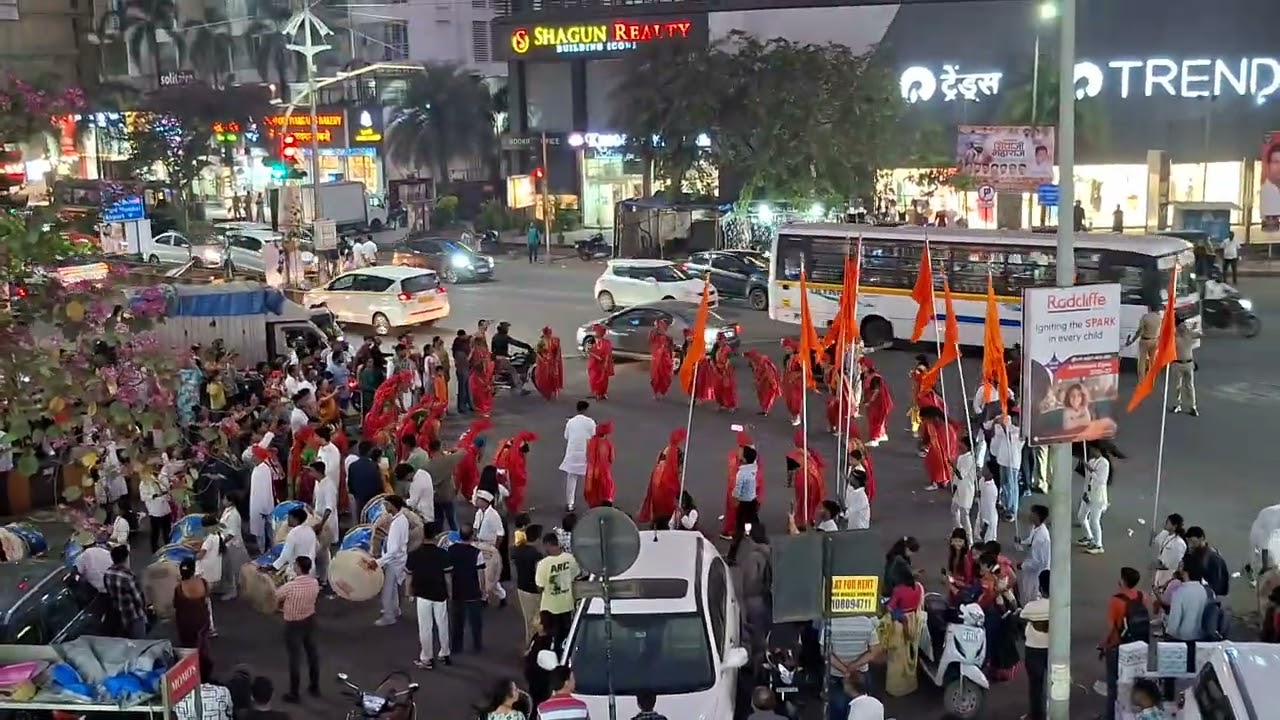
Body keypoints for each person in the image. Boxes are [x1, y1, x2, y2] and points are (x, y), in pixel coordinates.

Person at [1100, 567, 1148, 714]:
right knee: (1134, 682)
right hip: (1138, 645)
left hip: (1118, 645)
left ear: (1123, 581)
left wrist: (1103, 644)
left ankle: (1111, 715)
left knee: (1113, 684)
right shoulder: (1142, 596)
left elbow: (1111, 628)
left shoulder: (1116, 601)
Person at [406, 521, 452, 669]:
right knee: (443, 624)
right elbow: (448, 578)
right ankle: (444, 653)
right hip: (440, 593)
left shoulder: (414, 554)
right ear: (436, 536)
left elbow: (409, 576)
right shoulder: (443, 554)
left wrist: (409, 592)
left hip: (422, 594)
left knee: (425, 627)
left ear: (423, 535)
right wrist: (450, 593)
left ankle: (426, 658)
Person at [275, 556, 320, 703]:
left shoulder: (290, 586)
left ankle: (294, 694)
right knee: (312, 654)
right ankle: (315, 687)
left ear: (299, 568)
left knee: (294, 659)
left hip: (293, 625)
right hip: (309, 620)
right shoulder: (314, 583)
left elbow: (275, 597)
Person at [535, 531, 580, 649]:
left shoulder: (543, 564)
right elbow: (576, 575)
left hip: (549, 607)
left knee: (548, 636)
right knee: (565, 636)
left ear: (548, 545)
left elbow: (539, 587)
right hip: (567, 605)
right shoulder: (570, 559)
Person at [369, 495, 409, 626]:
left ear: (392, 505)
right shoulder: (400, 519)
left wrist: (379, 562)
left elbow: (393, 549)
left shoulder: (397, 523)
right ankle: (395, 609)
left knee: (387, 590)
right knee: (393, 589)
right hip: (397, 559)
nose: (385, 507)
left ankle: (388, 615)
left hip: (393, 561)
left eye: (387, 505)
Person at [446, 527, 486, 653]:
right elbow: (481, 573)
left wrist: (449, 590)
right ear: (472, 536)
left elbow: (448, 572)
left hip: (456, 589)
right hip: (472, 589)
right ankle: (477, 645)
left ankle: (456, 647)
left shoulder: (450, 550)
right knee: (475, 621)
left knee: (457, 620)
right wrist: (483, 590)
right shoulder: (477, 552)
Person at [638, 429, 685, 529]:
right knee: (665, 509)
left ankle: (656, 522)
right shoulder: (673, 453)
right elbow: (674, 475)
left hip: (657, 481)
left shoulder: (666, 450)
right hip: (665, 487)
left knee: (657, 506)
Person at [1021, 570, 1051, 720]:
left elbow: (1020, 616)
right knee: (1055, 683)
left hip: (1034, 648)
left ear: (1040, 588)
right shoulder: (1061, 606)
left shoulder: (1031, 607)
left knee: (1035, 686)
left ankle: (1036, 715)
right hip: (1053, 648)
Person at [721, 431, 761, 540]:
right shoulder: (752, 463)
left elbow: (737, 486)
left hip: (741, 496)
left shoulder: (740, 467)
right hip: (749, 496)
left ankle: (735, 532)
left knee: (740, 516)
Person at [174, 557, 213, 666]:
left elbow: (176, 605)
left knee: (188, 646)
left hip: (186, 623)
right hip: (202, 620)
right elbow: (207, 596)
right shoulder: (203, 583)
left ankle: (191, 667)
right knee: (203, 642)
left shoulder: (179, 588)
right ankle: (204, 662)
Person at [559, 401, 596, 512]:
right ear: (586, 410)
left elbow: (566, 436)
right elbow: (594, 437)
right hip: (586, 454)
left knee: (571, 479)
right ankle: (593, 503)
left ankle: (570, 504)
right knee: (590, 479)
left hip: (572, 453)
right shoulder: (590, 422)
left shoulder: (570, 422)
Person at [726, 444, 761, 563]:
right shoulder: (754, 468)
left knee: (738, 530)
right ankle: (763, 546)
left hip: (744, 504)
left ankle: (731, 556)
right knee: (756, 525)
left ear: (745, 459)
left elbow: (737, 491)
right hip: (752, 501)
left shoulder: (741, 474)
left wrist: (734, 500)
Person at [104, 544, 147, 639]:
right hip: (133, 615)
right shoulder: (128, 576)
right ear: (125, 559)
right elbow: (138, 599)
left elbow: (109, 592)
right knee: (138, 643)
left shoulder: (108, 573)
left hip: (119, 615)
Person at [511, 524, 545, 644]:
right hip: (534, 590)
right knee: (537, 619)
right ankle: (533, 645)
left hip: (521, 588)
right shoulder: (537, 555)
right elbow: (539, 574)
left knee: (528, 619)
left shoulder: (518, 550)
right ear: (537, 538)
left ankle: (529, 643)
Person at [473, 489, 507, 605]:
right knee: (482, 573)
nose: (476, 501)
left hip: (489, 546)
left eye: (479, 499)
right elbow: (475, 528)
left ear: (485, 502)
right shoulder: (479, 513)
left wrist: (495, 549)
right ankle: (484, 597)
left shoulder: (494, 515)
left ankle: (501, 595)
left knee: (490, 574)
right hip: (479, 545)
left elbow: (500, 533)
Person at [986, 412, 1024, 517]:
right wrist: (995, 422)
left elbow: (1010, 437)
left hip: (1012, 462)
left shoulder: (1021, 432)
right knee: (1004, 484)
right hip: (1003, 460)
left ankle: (1012, 510)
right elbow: (991, 431)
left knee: (1011, 485)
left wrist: (1003, 425)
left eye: (1017, 417)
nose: (1015, 419)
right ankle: (1005, 504)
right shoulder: (1010, 427)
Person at [786, 430, 825, 528]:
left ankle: (801, 521)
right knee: (810, 499)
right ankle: (810, 517)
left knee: (802, 500)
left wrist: (790, 483)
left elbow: (790, 473)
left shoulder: (792, 455)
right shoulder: (810, 453)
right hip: (814, 479)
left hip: (802, 480)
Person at [1077, 443, 1110, 555]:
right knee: (1081, 516)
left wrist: (1090, 471)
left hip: (1098, 495)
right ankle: (1089, 537)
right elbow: (1087, 480)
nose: (1091, 451)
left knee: (1094, 520)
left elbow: (1101, 480)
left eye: (1093, 449)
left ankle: (1099, 544)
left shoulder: (1104, 463)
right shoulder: (1091, 462)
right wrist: (1085, 492)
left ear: (1098, 450)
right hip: (1089, 493)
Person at [920, 406, 959, 492]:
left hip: (945, 438)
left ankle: (937, 481)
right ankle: (943, 479)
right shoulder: (935, 419)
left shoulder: (936, 420)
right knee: (939, 460)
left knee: (936, 460)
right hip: (943, 438)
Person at [270, 508, 317, 577]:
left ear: (296, 519)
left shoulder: (293, 533)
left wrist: (274, 567)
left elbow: (286, 555)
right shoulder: (310, 531)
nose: (287, 520)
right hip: (311, 570)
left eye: (289, 517)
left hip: (298, 571)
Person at [1185, 526, 1230, 597]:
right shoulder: (1195, 553)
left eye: (1192, 541)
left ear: (1201, 538)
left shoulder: (1213, 558)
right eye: (1188, 541)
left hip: (1210, 596)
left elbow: (1218, 584)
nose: (1190, 545)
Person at [525, 611, 557, 708]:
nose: (534, 619)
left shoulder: (547, 641)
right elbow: (531, 650)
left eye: (537, 619)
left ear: (543, 625)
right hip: (532, 677)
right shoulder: (536, 636)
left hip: (540, 679)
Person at [1019, 505, 1051, 602]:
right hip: (1031, 571)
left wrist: (1023, 565)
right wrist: (1021, 542)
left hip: (1037, 573)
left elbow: (1037, 562)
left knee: (1032, 598)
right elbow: (1030, 540)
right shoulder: (1036, 528)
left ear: (1037, 516)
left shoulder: (1041, 538)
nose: (1029, 515)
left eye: (1032, 513)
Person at [248, 446, 277, 552]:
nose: (252, 457)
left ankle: (270, 552)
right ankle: (263, 552)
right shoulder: (258, 468)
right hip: (258, 506)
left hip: (264, 508)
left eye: (254, 455)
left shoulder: (264, 470)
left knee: (268, 533)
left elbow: (265, 491)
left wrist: (264, 509)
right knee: (260, 533)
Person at [1172, 317, 1201, 416]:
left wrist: (1195, 328)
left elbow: (1200, 335)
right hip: (1177, 363)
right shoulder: (1174, 336)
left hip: (1189, 364)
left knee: (1190, 386)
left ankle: (1193, 406)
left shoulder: (1189, 334)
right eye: (1182, 325)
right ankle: (1177, 405)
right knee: (1177, 386)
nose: (1184, 326)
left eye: (1184, 325)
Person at [1152, 513, 1188, 593]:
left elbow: (1175, 565)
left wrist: (1158, 565)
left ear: (1174, 526)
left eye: (1167, 522)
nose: (1165, 523)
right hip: (1159, 573)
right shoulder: (1165, 534)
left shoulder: (1179, 544)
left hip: (1168, 577)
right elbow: (1157, 540)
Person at [861, 358, 893, 446]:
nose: (861, 367)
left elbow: (876, 391)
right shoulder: (866, 376)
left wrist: (869, 402)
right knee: (878, 419)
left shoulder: (874, 378)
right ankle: (881, 434)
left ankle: (874, 439)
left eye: (863, 365)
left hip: (879, 403)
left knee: (876, 419)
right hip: (875, 402)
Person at [583, 422, 615, 508]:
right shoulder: (608, 444)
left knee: (593, 490)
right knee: (606, 488)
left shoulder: (590, 442)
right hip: (603, 471)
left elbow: (588, 455)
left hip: (591, 471)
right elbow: (611, 458)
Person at [141, 470, 174, 553]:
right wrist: (153, 496)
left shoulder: (157, 479)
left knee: (167, 531)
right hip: (155, 511)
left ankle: (169, 547)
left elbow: (164, 489)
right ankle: (154, 549)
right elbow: (143, 497)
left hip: (165, 509)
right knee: (155, 532)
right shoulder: (143, 484)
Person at [952, 436, 977, 539]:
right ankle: (957, 531)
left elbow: (961, 475)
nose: (959, 445)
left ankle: (969, 538)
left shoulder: (970, 459)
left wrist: (952, 465)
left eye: (961, 443)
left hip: (966, 491)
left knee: (964, 516)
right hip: (959, 489)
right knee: (954, 510)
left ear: (967, 446)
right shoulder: (962, 457)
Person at [743, 350, 781, 416]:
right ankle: (764, 409)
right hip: (762, 382)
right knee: (762, 396)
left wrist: (760, 381)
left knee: (767, 396)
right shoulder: (755, 362)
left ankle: (766, 410)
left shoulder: (762, 362)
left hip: (767, 382)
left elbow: (768, 373)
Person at [1131, 303, 1162, 381]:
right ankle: (1152, 378)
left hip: (1145, 340)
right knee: (1153, 360)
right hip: (1154, 340)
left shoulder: (1145, 317)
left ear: (1149, 308)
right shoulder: (1159, 318)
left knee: (1142, 361)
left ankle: (1141, 379)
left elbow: (1140, 331)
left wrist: (1133, 339)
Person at [533, 327, 564, 401]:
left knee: (554, 376)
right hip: (544, 363)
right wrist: (543, 360)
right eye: (548, 333)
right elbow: (538, 352)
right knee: (545, 378)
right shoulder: (541, 342)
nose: (549, 334)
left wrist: (556, 360)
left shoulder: (555, 340)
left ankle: (554, 390)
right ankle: (547, 392)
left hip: (553, 362)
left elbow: (558, 350)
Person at [648, 318, 675, 400]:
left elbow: (671, 347)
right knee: (655, 376)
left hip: (665, 358)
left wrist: (671, 356)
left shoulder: (668, 337)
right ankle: (656, 392)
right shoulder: (654, 334)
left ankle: (663, 392)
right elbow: (650, 340)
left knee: (665, 376)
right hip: (657, 358)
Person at [586, 324, 614, 400]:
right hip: (594, 363)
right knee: (593, 377)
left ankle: (602, 393)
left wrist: (606, 362)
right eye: (596, 331)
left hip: (603, 364)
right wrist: (597, 357)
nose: (597, 333)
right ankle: (595, 392)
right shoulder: (591, 340)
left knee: (603, 378)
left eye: (599, 332)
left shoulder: (607, 342)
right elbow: (588, 351)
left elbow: (609, 353)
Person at [779, 338, 804, 426]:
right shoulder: (787, 358)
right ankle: (794, 416)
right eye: (786, 349)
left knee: (795, 400)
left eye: (788, 349)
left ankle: (797, 416)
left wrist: (795, 376)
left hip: (797, 382)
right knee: (789, 400)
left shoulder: (799, 358)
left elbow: (803, 371)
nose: (787, 350)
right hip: (788, 381)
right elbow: (785, 368)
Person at [712, 335, 737, 411]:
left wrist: (725, 369)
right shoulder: (716, 349)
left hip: (726, 371)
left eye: (721, 340)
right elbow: (713, 358)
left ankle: (731, 405)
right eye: (719, 340)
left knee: (727, 388)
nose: (720, 342)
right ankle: (721, 403)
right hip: (718, 369)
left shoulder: (727, 349)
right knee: (717, 388)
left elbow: (729, 360)